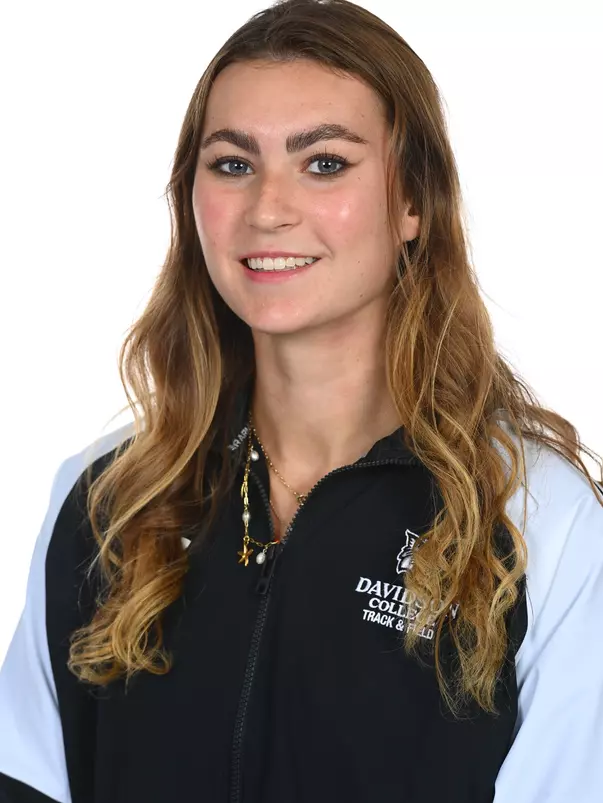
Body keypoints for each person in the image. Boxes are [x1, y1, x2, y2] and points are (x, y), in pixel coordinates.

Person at [1, 0, 602, 801]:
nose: (267, 209)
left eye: (323, 162)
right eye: (232, 163)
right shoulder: (109, 502)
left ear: (412, 202)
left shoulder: (541, 524)